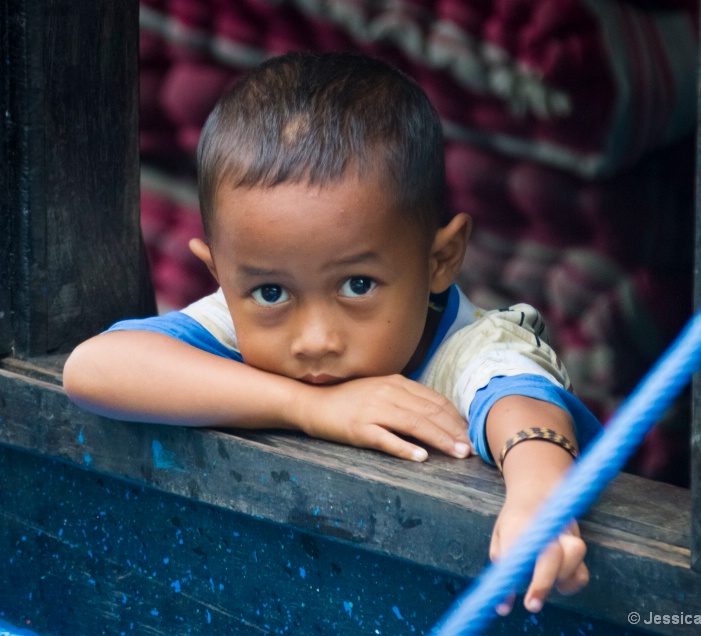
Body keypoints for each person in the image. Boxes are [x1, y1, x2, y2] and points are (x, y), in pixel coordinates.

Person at [63, 51, 602, 615]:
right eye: (272, 293)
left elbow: (521, 404)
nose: (315, 338)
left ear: (441, 259)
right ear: (219, 273)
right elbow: (93, 368)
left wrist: (540, 499)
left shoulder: (471, 348)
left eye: (359, 285)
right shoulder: (240, 312)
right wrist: (311, 407)